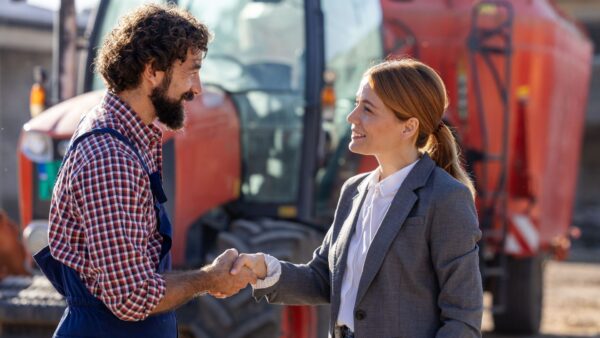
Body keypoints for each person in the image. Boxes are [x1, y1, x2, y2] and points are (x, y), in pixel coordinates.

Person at [35, 4, 256, 338]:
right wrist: (209, 279)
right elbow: (131, 298)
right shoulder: (110, 157)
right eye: (191, 71)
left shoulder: (130, 137)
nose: (196, 88)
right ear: (153, 70)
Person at [231, 58, 483, 337]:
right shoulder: (354, 190)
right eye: (355, 104)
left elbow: (463, 318)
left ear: (408, 127)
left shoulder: (446, 197)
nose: (352, 117)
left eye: (368, 109)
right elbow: (324, 278)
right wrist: (264, 268)